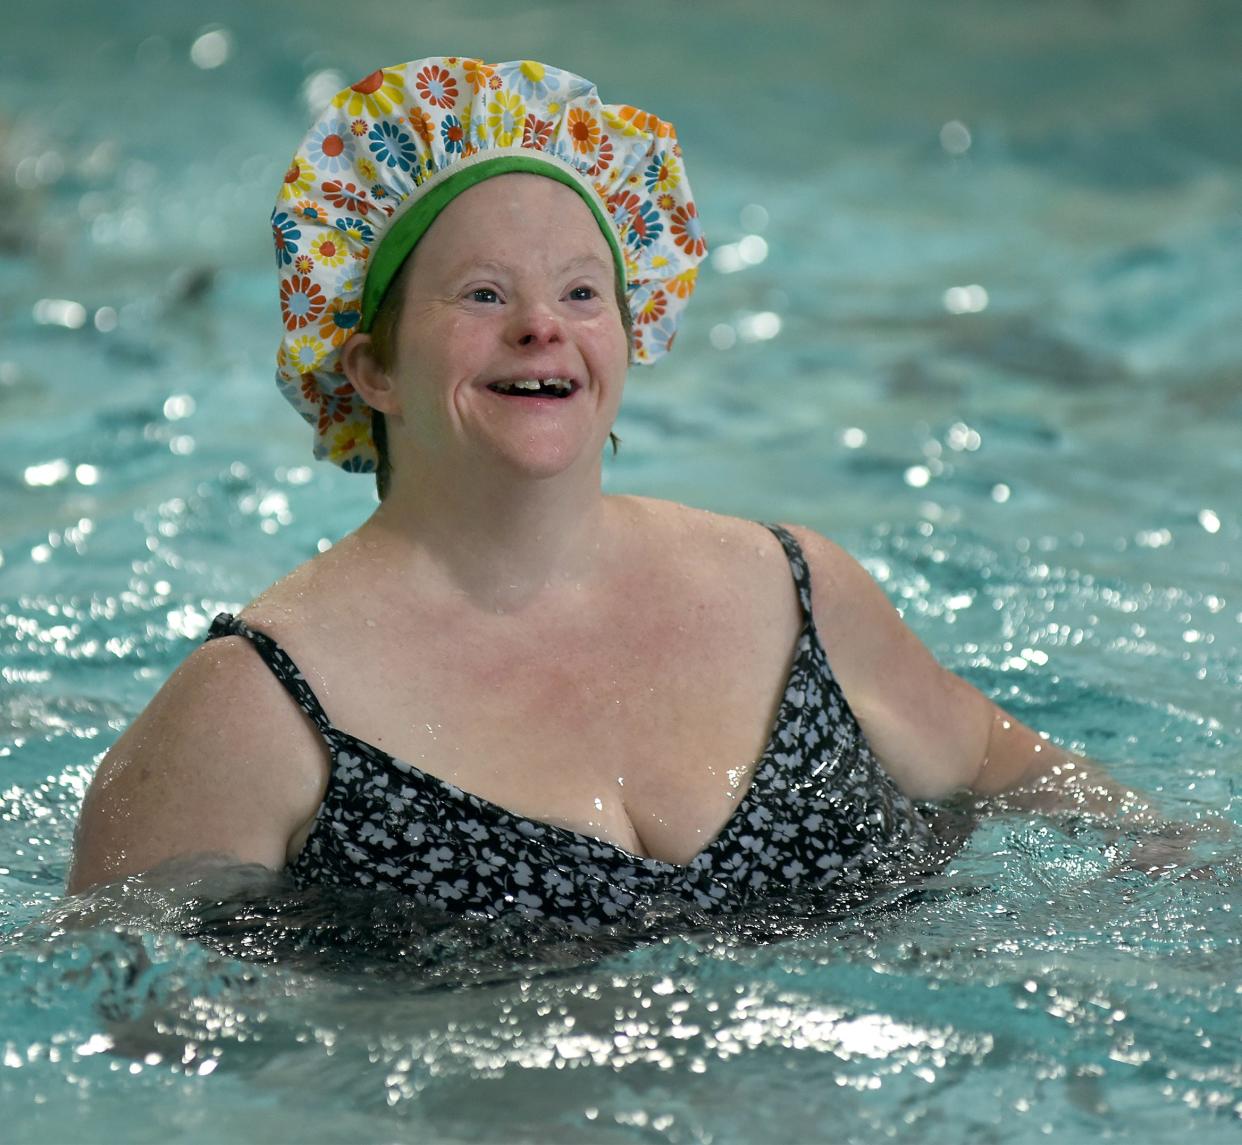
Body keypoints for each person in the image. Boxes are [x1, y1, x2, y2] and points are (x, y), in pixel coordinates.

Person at [67, 57, 1159, 930]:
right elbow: (124, 1025)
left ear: (630, 338)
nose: (543, 326)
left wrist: (1185, 861)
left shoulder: (797, 593)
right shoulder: (255, 705)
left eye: (583, 291)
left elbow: (1002, 763)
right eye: (483, 293)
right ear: (372, 370)